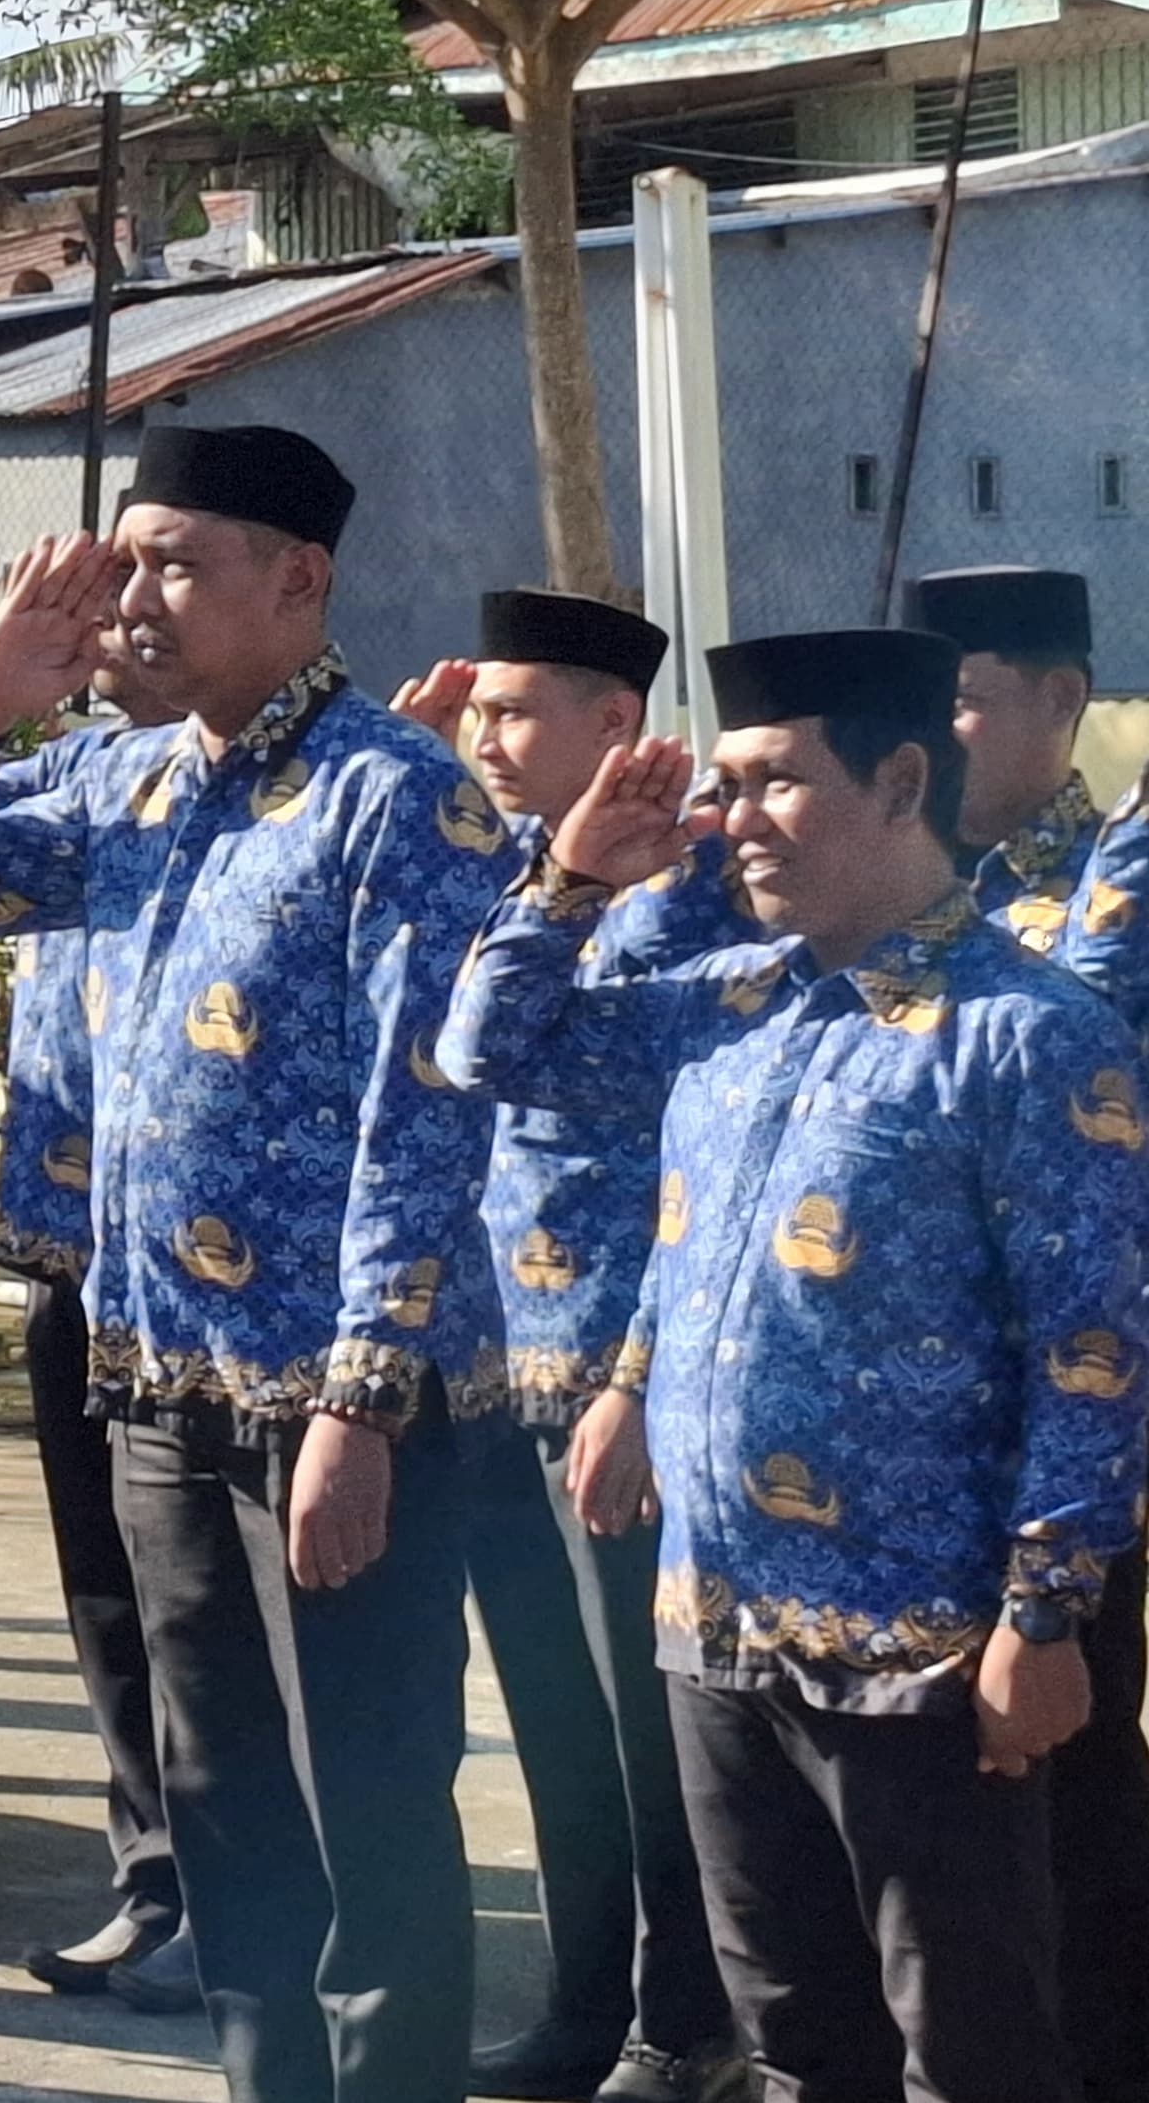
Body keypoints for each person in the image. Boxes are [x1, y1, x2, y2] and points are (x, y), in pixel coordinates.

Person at [0, 425, 504, 2103]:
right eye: (123, 561)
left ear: (300, 580)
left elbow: (427, 1118)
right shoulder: (122, 782)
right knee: (226, 1818)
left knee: (367, 1819)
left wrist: (362, 1404)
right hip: (156, 1390)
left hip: (329, 1407)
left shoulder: (397, 796)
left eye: (177, 563)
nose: (133, 599)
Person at [445, 626, 1144, 2103]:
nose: (735, 821)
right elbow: (495, 1046)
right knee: (793, 2048)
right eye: (727, 784)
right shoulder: (737, 1003)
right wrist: (572, 876)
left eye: (776, 783)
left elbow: (1091, 1353)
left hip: (917, 1648)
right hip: (718, 1629)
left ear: (901, 783)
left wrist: (1047, 1612)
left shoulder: (1028, 1040)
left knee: (972, 2048)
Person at [389, 595, 743, 2103]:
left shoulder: (705, 888)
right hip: (500, 1366)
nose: (487, 733)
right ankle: (591, 2003)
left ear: (616, 725)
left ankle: (691, 2022)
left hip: (621, 1379)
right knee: (556, 1721)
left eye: (517, 709)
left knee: (652, 1729)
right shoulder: (517, 877)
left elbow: (708, 1158)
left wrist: (642, 1385)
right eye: (481, 709)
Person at [893, 563, 1149, 2103]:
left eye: (967, 701)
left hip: (1069, 1426)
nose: (938, 736)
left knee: (1075, 1803)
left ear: (1062, 702)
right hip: (909, 1450)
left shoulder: (1118, 878)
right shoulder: (914, 895)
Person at [0, 627, 197, 2011]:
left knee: (205, 1607)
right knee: (106, 1589)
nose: (115, 624)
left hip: (203, 1274)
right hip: (69, 1246)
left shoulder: (273, 778)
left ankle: (239, 1891)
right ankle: (152, 1872)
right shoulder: (72, 771)